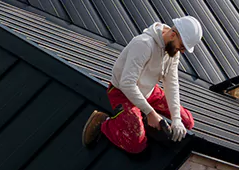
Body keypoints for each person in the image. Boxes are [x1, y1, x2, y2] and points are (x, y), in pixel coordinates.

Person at [81, 16, 203, 153]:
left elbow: (172, 84)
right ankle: (104, 123)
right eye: (182, 46)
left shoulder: (172, 50)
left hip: (148, 91)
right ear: (173, 34)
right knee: (136, 145)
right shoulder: (144, 44)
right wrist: (150, 113)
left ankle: (143, 113)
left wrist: (176, 119)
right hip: (123, 92)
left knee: (187, 122)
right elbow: (127, 84)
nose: (182, 51)